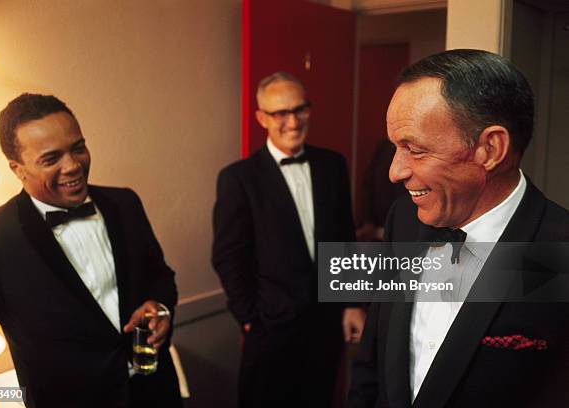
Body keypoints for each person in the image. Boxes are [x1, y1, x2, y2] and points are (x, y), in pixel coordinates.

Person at [348, 49, 569, 407]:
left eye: (414, 150)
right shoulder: (401, 221)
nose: (395, 171)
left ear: (490, 148)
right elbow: (370, 364)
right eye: (395, 147)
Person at [0, 94, 182, 408]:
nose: (73, 165)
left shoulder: (125, 203)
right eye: (52, 159)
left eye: (78, 148)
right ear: (17, 168)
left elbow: (162, 277)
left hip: (156, 394)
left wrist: (159, 307)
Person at [212, 72, 366, 407]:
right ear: (261, 118)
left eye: (300, 110)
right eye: (280, 113)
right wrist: (251, 320)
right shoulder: (238, 178)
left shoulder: (332, 165)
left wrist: (352, 302)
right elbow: (227, 257)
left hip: (326, 327)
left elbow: (344, 236)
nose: (293, 121)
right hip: (270, 330)